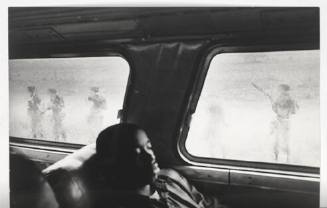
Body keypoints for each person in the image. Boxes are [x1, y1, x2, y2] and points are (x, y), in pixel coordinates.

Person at [252, 83, 299, 162]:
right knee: (282, 140)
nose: (280, 92)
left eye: (281, 90)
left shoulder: (281, 98)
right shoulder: (290, 99)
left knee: (278, 140)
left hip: (281, 121)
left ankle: (279, 159)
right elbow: (293, 111)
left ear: (283, 90)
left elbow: (275, 109)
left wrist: (272, 101)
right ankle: (285, 159)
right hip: (284, 121)